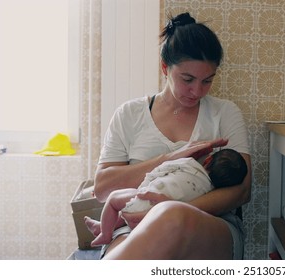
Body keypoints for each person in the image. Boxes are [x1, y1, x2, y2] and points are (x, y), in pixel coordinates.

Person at [93, 12, 251, 260]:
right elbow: (102, 189)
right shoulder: (129, 114)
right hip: (130, 225)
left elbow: (242, 190)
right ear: (165, 68)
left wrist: (166, 208)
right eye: (187, 79)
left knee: (172, 216)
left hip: (208, 224)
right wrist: (168, 158)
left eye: (207, 81)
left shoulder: (225, 113)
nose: (197, 91)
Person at [85, 149, 247, 247]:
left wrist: (144, 187)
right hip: (159, 220)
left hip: (141, 204)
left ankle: (105, 232)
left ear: (209, 159)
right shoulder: (208, 193)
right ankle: (104, 228)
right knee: (131, 207)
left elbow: (161, 169)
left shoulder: (188, 163)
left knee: (114, 199)